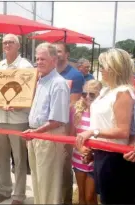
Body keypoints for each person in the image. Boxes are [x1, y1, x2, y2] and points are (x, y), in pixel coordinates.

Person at [76, 48, 135, 204]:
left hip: (115, 159)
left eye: (103, 66)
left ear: (115, 68)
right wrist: (93, 149)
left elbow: (123, 131)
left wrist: (92, 132)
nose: (100, 70)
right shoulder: (107, 91)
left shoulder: (123, 93)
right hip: (102, 155)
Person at [23, 42, 70, 204]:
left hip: (49, 136)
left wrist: (34, 133)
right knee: (37, 180)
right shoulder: (41, 80)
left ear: (54, 60)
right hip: (36, 135)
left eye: (43, 59)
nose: (39, 62)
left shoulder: (58, 83)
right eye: (37, 59)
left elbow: (56, 120)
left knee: (49, 184)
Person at [0, 34, 32, 205]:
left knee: (19, 160)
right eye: (5, 42)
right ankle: (5, 190)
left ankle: (19, 195)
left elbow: (29, 91)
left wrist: (20, 104)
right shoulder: (0, 65)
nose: (7, 45)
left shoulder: (26, 66)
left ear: (18, 46)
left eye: (11, 42)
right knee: (1, 158)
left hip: (18, 119)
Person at [55, 42, 85, 204]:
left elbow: (74, 104)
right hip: (49, 126)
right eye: (54, 51)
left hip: (65, 127)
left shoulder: (75, 75)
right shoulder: (49, 72)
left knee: (64, 167)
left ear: (67, 54)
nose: (56, 54)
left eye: (59, 51)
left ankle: (65, 200)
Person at [69, 80, 102, 205]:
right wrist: (81, 148)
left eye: (92, 94)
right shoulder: (77, 111)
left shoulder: (102, 113)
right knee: (81, 196)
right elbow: (72, 136)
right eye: (84, 94)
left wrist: (90, 152)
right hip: (78, 157)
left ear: (99, 95)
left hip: (95, 159)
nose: (87, 97)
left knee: (90, 196)